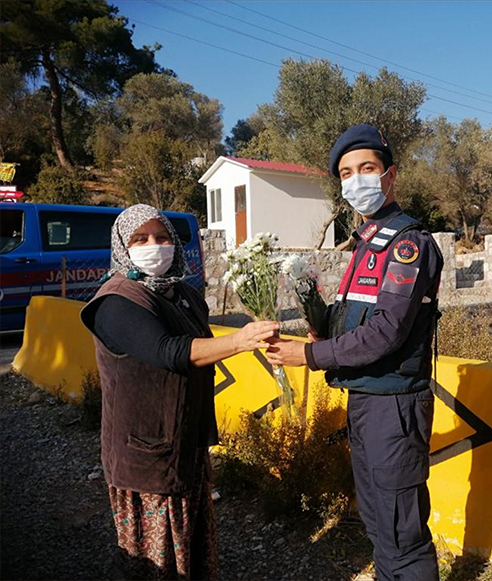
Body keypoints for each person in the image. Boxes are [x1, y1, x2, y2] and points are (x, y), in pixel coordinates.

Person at [267, 124, 443, 581]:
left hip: (395, 403)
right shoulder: (367, 244)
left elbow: (386, 333)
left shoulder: (408, 245)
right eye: (346, 173)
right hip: (366, 399)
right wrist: (310, 302)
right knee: (378, 521)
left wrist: (306, 357)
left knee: (402, 534)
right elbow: (348, 323)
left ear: (390, 176)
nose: (356, 180)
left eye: (367, 167)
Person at [80, 204, 278, 580]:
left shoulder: (183, 293)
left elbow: (198, 346)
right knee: (157, 562)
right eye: (141, 239)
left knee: (191, 547)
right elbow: (166, 352)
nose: (154, 246)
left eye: (163, 237)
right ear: (123, 245)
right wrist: (239, 340)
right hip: (145, 456)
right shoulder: (117, 300)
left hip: (184, 442)